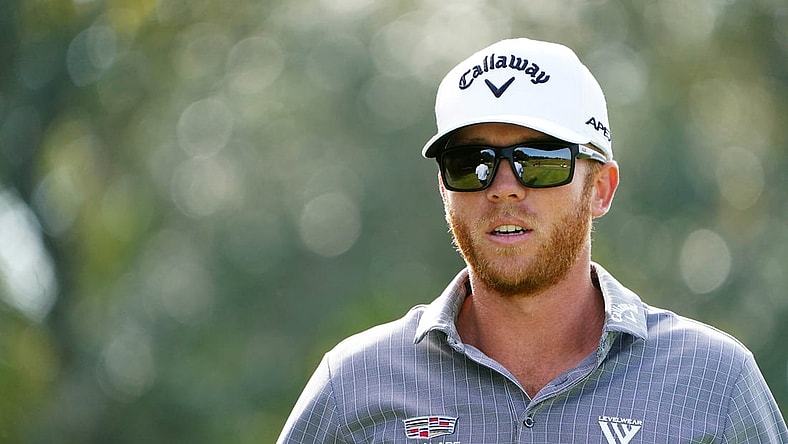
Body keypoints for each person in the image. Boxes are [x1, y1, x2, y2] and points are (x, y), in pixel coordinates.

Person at [277, 38, 788, 443]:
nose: (502, 189)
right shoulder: (355, 384)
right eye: (470, 163)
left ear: (601, 189)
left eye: (540, 162)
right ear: (443, 188)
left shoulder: (714, 383)